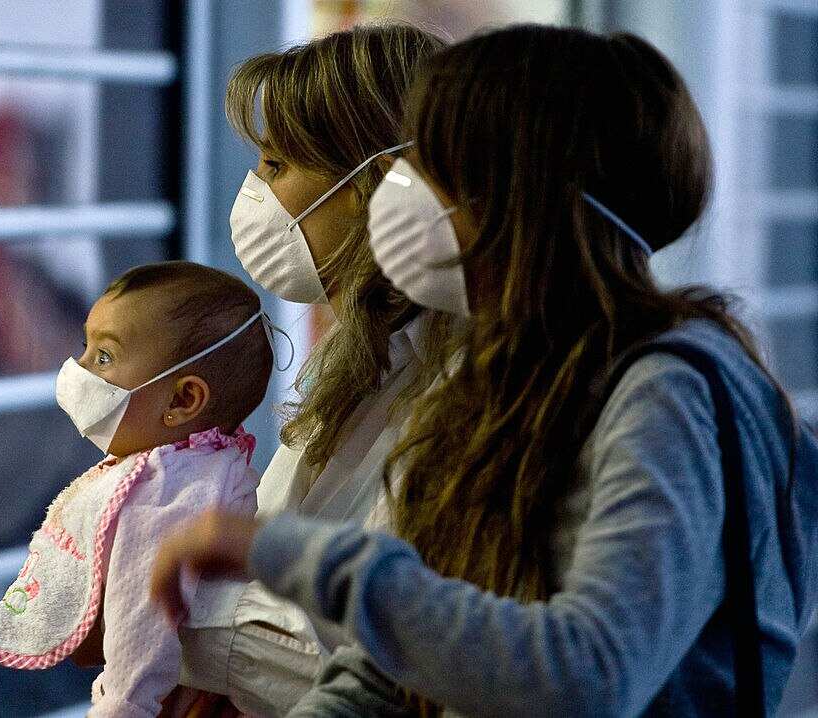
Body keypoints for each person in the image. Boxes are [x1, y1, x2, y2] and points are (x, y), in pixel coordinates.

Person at [151, 25, 818, 716]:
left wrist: (294, 558)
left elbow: (586, 674)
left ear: (518, 195)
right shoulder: (506, 384)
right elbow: (389, 679)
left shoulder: (666, 396)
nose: (402, 195)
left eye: (435, 167)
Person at [173, 23, 447, 716]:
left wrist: (171, 620)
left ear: (374, 183)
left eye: (275, 165)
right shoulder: (363, 355)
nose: (256, 193)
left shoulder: (453, 386)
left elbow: (395, 655)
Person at [0, 261, 274, 716]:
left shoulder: (166, 492)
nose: (78, 369)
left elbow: (144, 616)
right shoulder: (196, 464)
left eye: (104, 357)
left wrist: (121, 707)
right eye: (86, 347)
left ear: (181, 400)